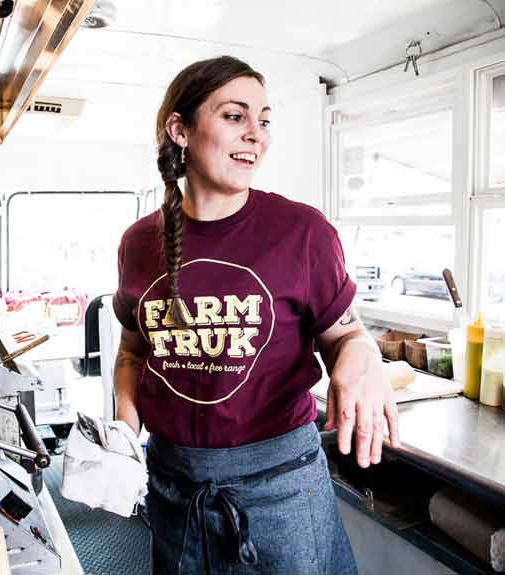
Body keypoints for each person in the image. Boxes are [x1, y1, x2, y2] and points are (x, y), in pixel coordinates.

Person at [112, 56, 401, 575]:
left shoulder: (302, 232)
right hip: (174, 488)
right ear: (180, 130)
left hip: (280, 489)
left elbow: (346, 335)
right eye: (234, 116)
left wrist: (362, 357)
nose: (256, 135)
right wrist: (122, 433)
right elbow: (134, 351)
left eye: (264, 120)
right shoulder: (138, 243)